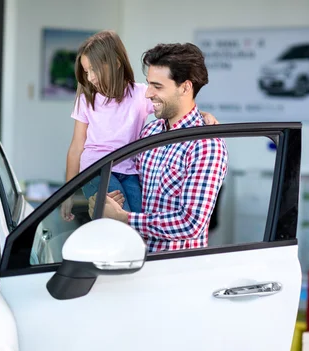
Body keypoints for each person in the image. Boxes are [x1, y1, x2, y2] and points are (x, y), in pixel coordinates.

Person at [61, 30, 217, 222]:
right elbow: (76, 147)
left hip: (128, 171)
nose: (91, 77)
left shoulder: (140, 94)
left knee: (137, 216)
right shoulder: (87, 100)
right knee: (121, 223)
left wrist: (203, 114)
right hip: (96, 169)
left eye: (94, 69)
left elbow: (175, 106)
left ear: (116, 63)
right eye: (87, 72)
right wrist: (67, 194)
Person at [95, 43, 228, 252]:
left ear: (185, 87)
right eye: (148, 84)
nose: (148, 94)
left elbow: (191, 224)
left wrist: (125, 218)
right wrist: (106, 202)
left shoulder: (206, 144)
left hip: (173, 272)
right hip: (134, 260)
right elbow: (133, 187)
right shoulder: (149, 132)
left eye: (157, 86)